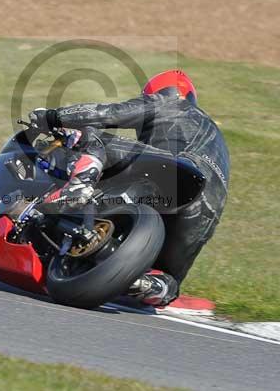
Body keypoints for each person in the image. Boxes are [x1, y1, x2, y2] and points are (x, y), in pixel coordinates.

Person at [29, 70, 229, 315]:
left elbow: (105, 114)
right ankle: (142, 283)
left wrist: (52, 116)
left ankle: (80, 185)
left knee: (94, 135)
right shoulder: (216, 137)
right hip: (208, 207)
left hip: (177, 168)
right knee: (168, 277)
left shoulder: (169, 101)